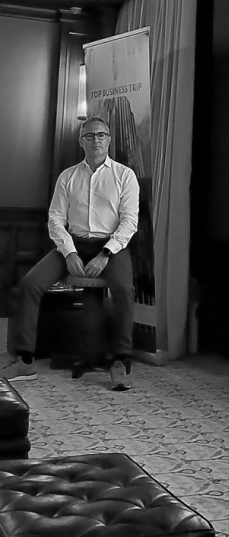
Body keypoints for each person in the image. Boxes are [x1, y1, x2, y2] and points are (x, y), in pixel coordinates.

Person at [3, 116, 139, 392]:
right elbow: (55, 219)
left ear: (109, 140)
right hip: (73, 244)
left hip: (111, 246)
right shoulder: (68, 176)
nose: (96, 140)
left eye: (101, 135)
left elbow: (129, 221)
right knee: (30, 284)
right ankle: (25, 359)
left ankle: (120, 360)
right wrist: (69, 253)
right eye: (90, 136)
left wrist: (106, 253)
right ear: (81, 141)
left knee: (125, 290)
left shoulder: (125, 175)